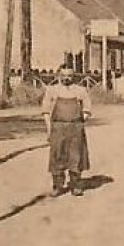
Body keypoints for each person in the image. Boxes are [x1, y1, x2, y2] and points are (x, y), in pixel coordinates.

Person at [42, 67, 92, 195]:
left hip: (75, 127)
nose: (66, 78)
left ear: (73, 76)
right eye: (63, 75)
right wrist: (49, 129)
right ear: (58, 75)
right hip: (58, 127)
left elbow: (87, 109)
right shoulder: (51, 90)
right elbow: (46, 112)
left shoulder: (81, 90)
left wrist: (79, 123)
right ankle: (57, 186)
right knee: (57, 156)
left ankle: (76, 185)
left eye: (69, 75)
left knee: (76, 156)